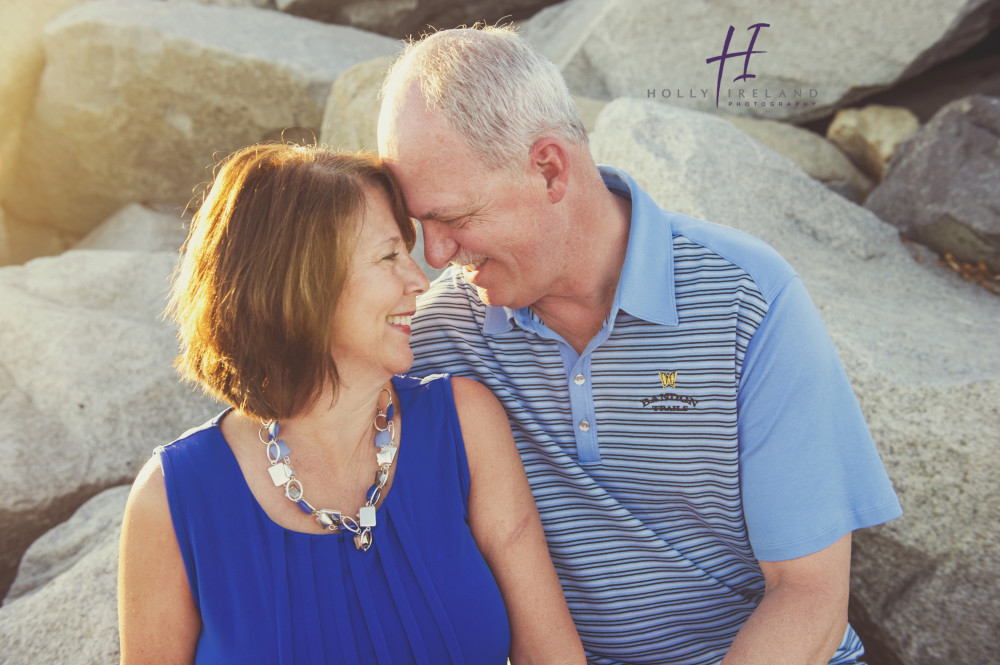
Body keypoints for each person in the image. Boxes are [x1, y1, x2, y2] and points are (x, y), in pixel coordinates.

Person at [377, 25, 903, 665]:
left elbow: (811, 597)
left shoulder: (747, 300)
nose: (435, 257)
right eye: (419, 226)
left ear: (548, 169)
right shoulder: (433, 338)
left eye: (454, 219)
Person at [117, 143, 585, 665]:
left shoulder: (465, 425)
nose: (419, 280)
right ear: (297, 284)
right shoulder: (172, 498)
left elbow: (552, 655)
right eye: (389, 256)